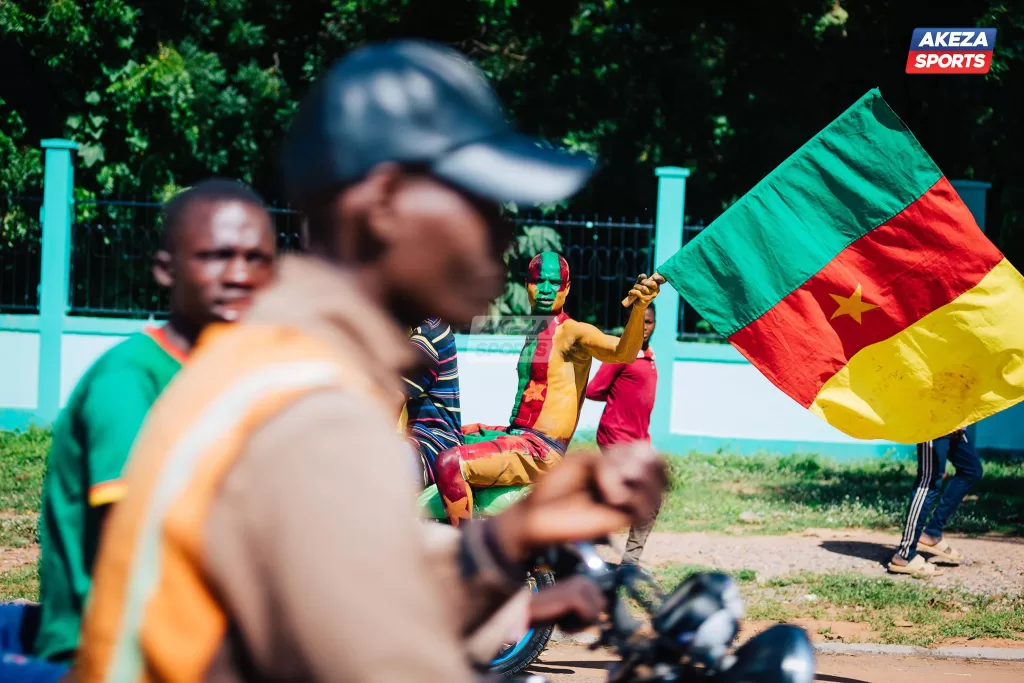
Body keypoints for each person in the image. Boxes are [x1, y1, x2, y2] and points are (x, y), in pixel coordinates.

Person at [72, 39, 667, 683]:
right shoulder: (313, 389)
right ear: (384, 204)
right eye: (477, 202)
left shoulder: (324, 360)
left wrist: (512, 539)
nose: (499, 236)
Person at [0, 180, 277, 681]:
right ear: (165, 269)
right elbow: (132, 547)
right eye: (217, 256)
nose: (239, 275)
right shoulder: (129, 380)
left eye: (257, 259)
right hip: (104, 653)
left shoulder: (234, 377)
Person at [433, 251, 661, 526]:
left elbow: (622, 352)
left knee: (449, 463)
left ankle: (469, 554)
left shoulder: (573, 332)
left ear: (567, 288)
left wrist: (639, 309)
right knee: (446, 436)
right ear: (527, 285)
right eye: (538, 281)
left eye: (554, 282)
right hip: (518, 437)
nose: (545, 289)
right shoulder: (536, 331)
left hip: (540, 449)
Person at [586, 302, 659, 568]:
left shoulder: (648, 356)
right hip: (616, 438)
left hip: (638, 442)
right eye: (639, 322)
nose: (644, 327)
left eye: (648, 322)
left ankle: (625, 563)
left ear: (654, 325)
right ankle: (587, 555)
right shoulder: (623, 353)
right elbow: (594, 390)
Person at [888, 428, 983, 577]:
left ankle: (932, 533)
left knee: (971, 470)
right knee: (929, 479)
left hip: (956, 420)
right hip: (933, 420)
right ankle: (905, 554)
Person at [404, 317, 464, 488]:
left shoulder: (425, 339)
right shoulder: (436, 328)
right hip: (437, 446)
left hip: (431, 450)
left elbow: (392, 399)